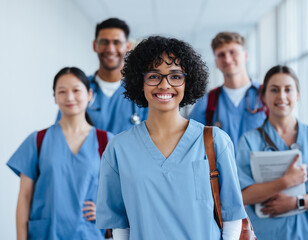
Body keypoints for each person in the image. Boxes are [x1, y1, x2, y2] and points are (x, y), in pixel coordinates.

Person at [96, 36, 247, 240]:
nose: (164, 85)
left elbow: (232, 217)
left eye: (175, 76)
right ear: (140, 82)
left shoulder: (215, 142)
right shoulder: (118, 148)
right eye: (153, 76)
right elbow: (120, 226)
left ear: (188, 82)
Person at [236, 65, 308, 239]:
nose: (281, 96)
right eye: (274, 90)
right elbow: (242, 195)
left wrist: (297, 202)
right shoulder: (249, 141)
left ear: (298, 95)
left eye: (288, 89)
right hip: (268, 234)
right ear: (264, 96)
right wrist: (285, 182)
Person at [8, 67, 113, 239]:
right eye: (62, 92)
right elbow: (25, 197)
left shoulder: (107, 141)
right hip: (46, 234)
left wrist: (106, 212)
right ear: (55, 98)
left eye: (76, 90)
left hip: (88, 234)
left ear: (89, 94)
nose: (69, 97)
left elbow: (124, 193)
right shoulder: (37, 140)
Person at [56, 18, 148, 134]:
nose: (110, 49)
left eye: (117, 42)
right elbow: (60, 135)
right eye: (104, 42)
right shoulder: (78, 88)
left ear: (128, 46)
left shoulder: (142, 91)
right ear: (95, 45)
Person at [189, 32, 266, 153]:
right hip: (222, 172)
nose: (227, 59)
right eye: (221, 54)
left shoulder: (266, 96)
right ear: (216, 62)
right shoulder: (207, 102)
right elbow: (191, 142)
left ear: (245, 55)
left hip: (262, 171)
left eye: (232, 52)